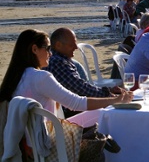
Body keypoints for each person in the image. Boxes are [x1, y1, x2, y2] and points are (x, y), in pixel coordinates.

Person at [0, 29, 132, 117]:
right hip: (48, 143)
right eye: (47, 48)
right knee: (108, 116)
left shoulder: (17, 76)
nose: (50, 54)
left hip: (30, 143)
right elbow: (76, 103)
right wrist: (117, 100)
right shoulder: (40, 77)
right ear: (34, 49)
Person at [44, 28, 126, 118]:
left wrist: (108, 91)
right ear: (58, 45)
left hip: (70, 108)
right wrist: (107, 94)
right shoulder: (58, 62)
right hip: (66, 114)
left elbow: (80, 87)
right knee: (112, 112)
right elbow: (79, 88)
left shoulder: (60, 59)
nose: (76, 47)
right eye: (71, 45)